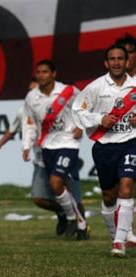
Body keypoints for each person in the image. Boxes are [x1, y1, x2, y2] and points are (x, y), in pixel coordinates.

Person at [0, 78, 83, 236]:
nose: (32, 93)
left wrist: (80, 127)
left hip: (62, 151)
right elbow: (13, 130)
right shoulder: (25, 109)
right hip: (42, 158)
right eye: (30, 90)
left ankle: (81, 228)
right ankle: (62, 213)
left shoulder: (58, 104)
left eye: (35, 88)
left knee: (73, 194)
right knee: (38, 198)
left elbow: (81, 110)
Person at [72, 44, 136, 257]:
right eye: (112, 59)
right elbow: (77, 111)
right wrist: (100, 118)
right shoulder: (96, 87)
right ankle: (114, 235)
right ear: (106, 63)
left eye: (120, 58)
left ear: (127, 62)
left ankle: (120, 241)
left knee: (126, 186)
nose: (117, 62)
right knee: (109, 196)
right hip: (104, 147)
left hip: (130, 143)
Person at [22, 59, 90, 240]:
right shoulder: (32, 97)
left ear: (54, 74)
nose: (41, 75)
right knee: (60, 188)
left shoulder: (68, 91)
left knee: (56, 182)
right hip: (46, 145)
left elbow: (86, 105)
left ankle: (70, 218)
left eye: (45, 72)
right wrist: (26, 145)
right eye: (39, 72)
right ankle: (81, 224)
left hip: (68, 144)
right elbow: (29, 123)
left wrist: (81, 126)